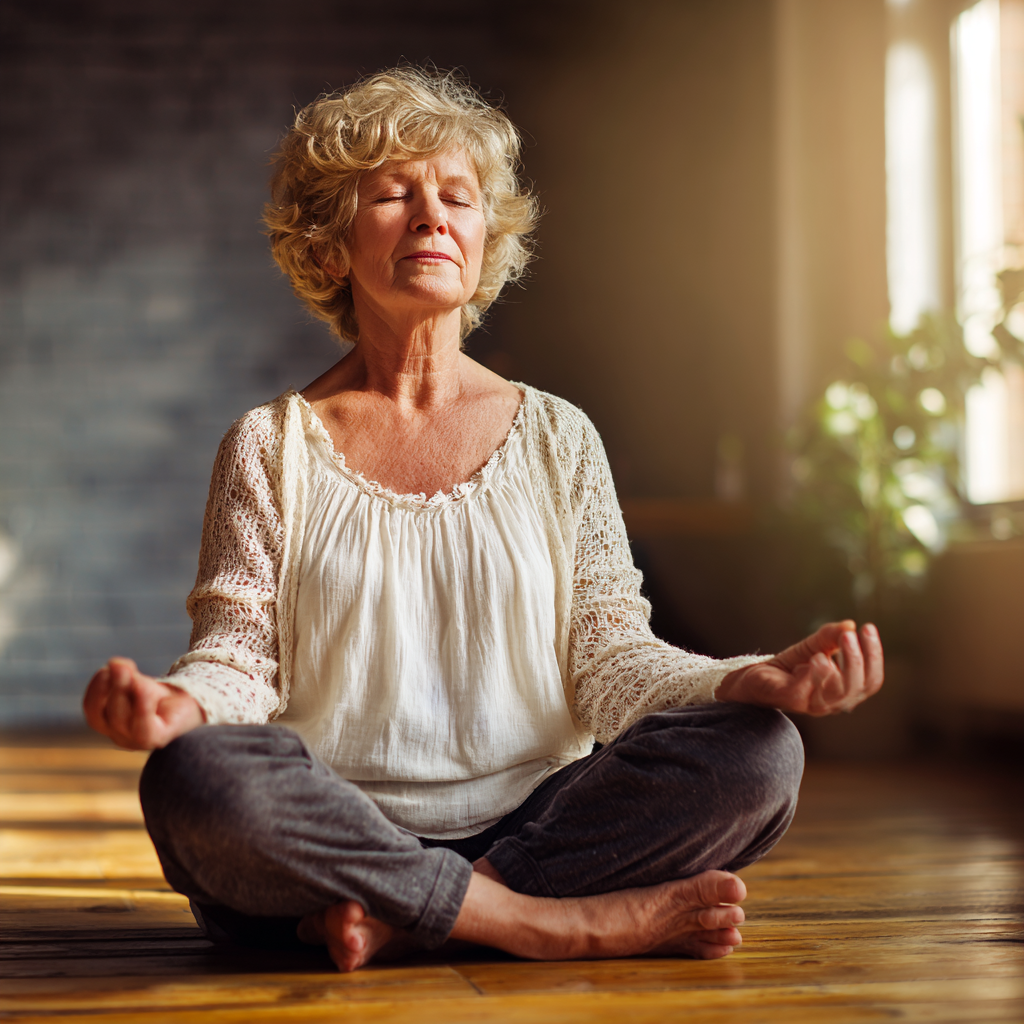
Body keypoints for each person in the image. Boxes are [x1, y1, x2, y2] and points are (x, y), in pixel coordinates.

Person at [82, 68, 884, 972]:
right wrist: (182, 704)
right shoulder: (268, 445)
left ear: (482, 241)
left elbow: (611, 661)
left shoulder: (559, 437)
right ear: (331, 247)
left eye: (457, 198)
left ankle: (417, 913)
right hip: (335, 829)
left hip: (537, 826)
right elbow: (238, 657)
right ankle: (550, 925)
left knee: (762, 753)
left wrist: (745, 679)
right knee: (193, 779)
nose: (432, 216)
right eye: (394, 195)